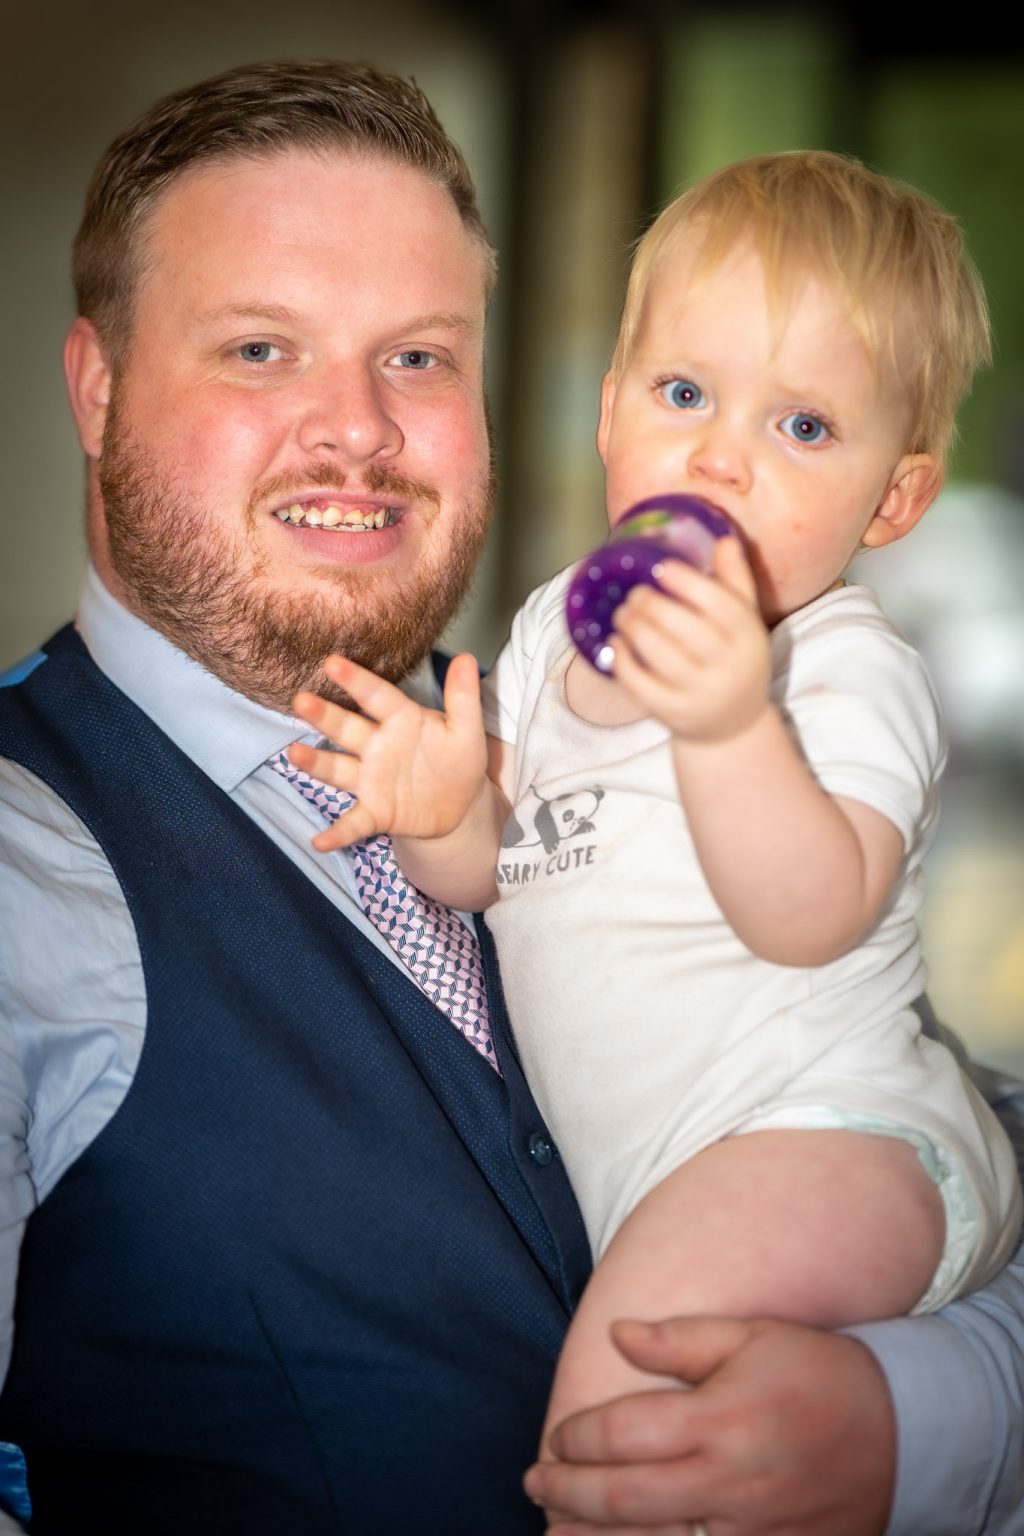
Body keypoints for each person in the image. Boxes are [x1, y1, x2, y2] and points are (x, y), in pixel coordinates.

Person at [0, 62, 1019, 1536]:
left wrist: (916, 1419)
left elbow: (945, 1121)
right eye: (262, 350)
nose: (355, 429)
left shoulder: (675, 697)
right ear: (98, 388)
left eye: (417, 357)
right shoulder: (24, 868)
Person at [285, 149, 1024, 1477]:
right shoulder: (549, 639)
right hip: (659, 1179)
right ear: (610, 413)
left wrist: (730, 725)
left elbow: (810, 916)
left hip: (831, 1135)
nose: (721, 459)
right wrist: (440, 806)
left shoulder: (842, 667)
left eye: (803, 428)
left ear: (895, 499)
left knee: (613, 1422)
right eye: (685, 394)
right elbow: (493, 870)